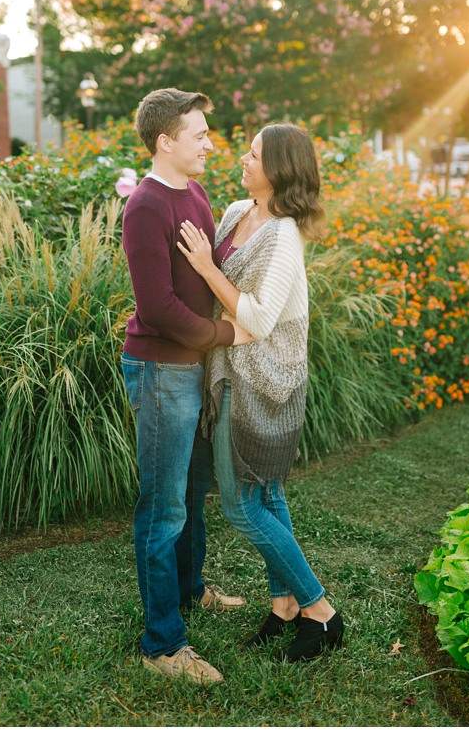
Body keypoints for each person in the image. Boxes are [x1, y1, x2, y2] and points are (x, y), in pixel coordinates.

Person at [176, 123, 345, 662]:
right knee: (268, 495)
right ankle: (284, 607)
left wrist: (205, 266)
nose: (242, 160)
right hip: (229, 365)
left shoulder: (284, 235)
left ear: (280, 170)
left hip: (264, 379)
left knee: (243, 505)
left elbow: (258, 317)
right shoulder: (234, 212)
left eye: (253, 155)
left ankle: (320, 610)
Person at [119, 88, 247, 685]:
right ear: (165, 141)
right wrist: (226, 334)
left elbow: (208, 271)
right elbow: (159, 308)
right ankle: (162, 645)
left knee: (192, 494)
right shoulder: (145, 206)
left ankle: (191, 591)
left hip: (190, 370)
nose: (208, 144)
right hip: (162, 372)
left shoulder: (193, 191)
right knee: (162, 509)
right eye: (198, 134)